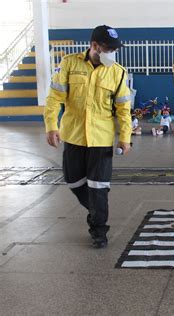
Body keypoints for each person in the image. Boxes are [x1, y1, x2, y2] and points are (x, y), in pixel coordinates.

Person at [43, 25, 132, 248]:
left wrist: (125, 136)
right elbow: (54, 98)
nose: (112, 53)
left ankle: (99, 230)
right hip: (73, 136)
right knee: (74, 182)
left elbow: (123, 108)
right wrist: (51, 126)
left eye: (114, 49)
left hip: (101, 139)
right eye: (108, 49)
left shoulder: (118, 72)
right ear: (94, 46)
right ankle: (96, 212)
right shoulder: (69, 63)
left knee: (99, 187)